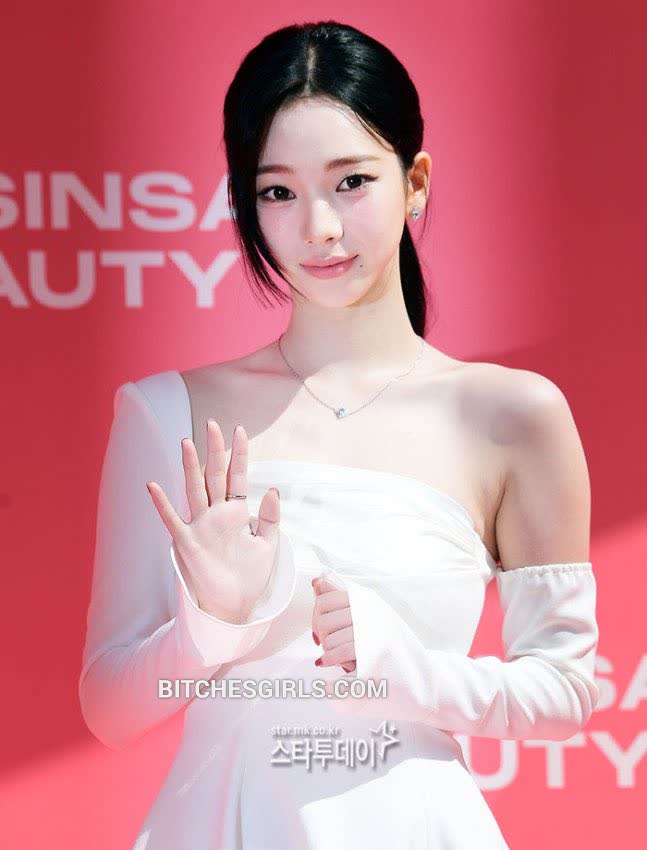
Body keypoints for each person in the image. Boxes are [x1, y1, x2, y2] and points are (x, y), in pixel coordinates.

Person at [78, 20, 600, 850]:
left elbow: (565, 690)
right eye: (276, 192)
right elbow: (109, 708)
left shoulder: (511, 415)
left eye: (351, 182)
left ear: (414, 182)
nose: (317, 227)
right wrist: (213, 624)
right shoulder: (166, 412)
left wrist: (400, 670)